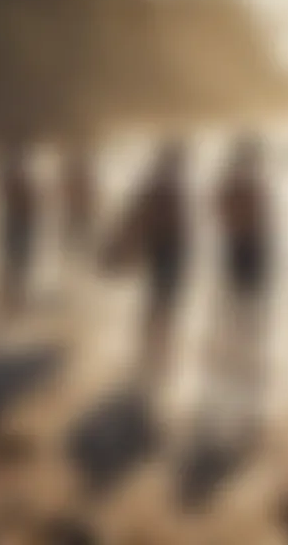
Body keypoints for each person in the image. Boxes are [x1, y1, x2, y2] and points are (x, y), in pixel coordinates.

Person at [107, 140, 190, 391]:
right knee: (162, 302)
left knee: (159, 301)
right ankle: (154, 355)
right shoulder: (165, 182)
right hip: (167, 250)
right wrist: (127, 243)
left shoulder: (163, 181)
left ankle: (152, 354)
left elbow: (137, 213)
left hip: (166, 249)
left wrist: (127, 243)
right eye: (180, 156)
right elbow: (144, 215)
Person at [212, 135, 272, 434]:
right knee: (247, 340)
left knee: (238, 339)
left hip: (241, 267)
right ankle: (248, 411)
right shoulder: (252, 187)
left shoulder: (239, 187)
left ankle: (241, 409)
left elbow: (221, 217)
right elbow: (254, 226)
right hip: (251, 269)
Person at [0, 142, 36, 317]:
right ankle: (11, 298)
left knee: (16, 259)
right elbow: (11, 195)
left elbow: (21, 197)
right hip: (17, 220)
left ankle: (12, 297)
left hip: (19, 220)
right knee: (16, 259)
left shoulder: (15, 174)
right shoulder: (13, 174)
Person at [61, 147, 94, 259]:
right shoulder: (75, 180)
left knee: (79, 232)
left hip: (79, 212)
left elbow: (87, 196)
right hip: (75, 212)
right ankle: (73, 253)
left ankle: (79, 253)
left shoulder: (82, 180)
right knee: (75, 232)